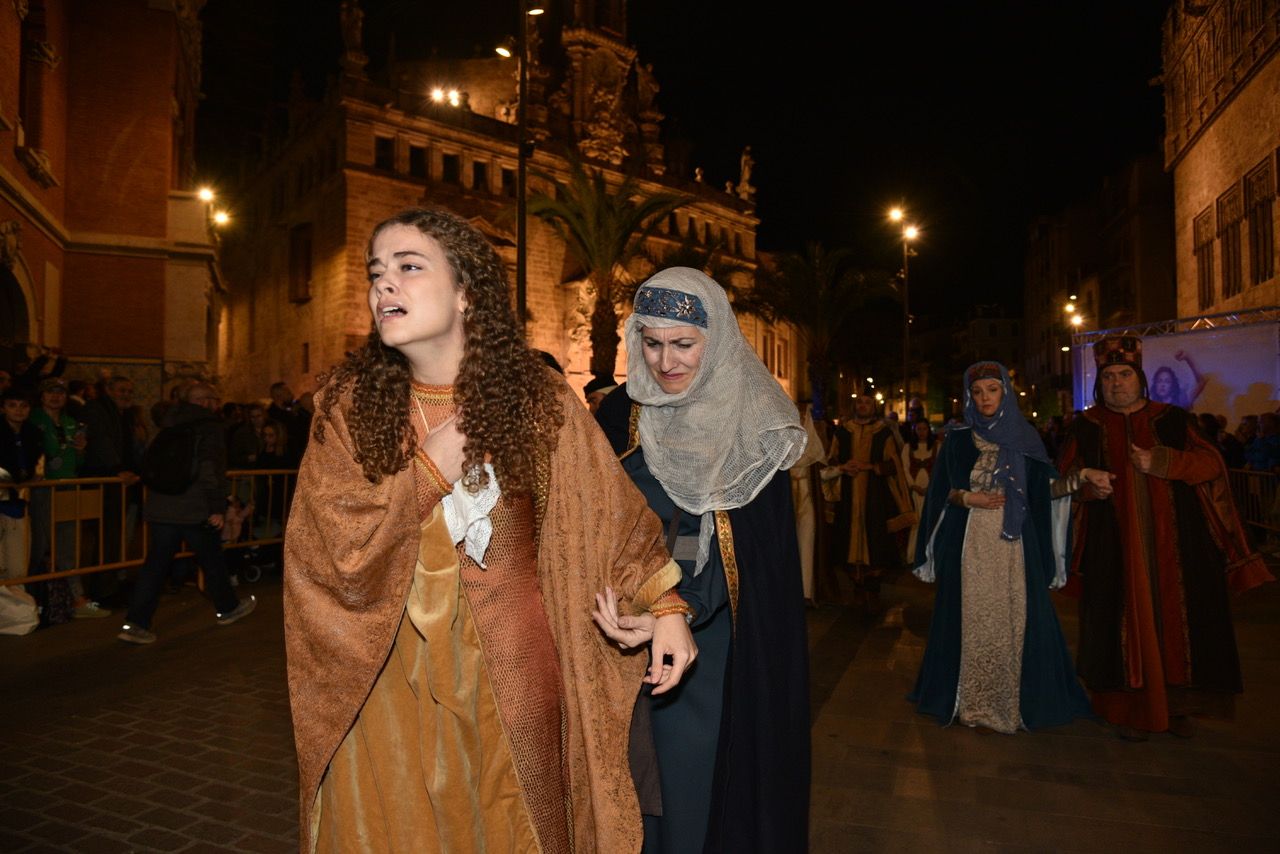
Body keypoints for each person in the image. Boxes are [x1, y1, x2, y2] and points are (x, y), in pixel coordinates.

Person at [284, 208, 695, 853]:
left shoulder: (538, 398)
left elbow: (609, 518)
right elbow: (323, 546)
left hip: (513, 666)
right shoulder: (348, 405)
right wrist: (429, 471)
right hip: (384, 677)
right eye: (376, 273)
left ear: (466, 292)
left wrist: (665, 608)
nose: (383, 285)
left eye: (408, 268)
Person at [593, 267, 810, 854]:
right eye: (652, 341)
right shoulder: (618, 417)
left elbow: (720, 536)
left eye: (684, 344)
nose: (666, 362)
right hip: (617, 631)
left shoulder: (753, 422)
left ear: (715, 341)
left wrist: (679, 605)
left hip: (716, 644)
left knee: (691, 786)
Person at [1058, 336, 1273, 740]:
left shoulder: (1173, 420)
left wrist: (1163, 461)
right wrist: (1086, 487)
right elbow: (1058, 483)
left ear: (1139, 378)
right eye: (1108, 377)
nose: (1117, 383)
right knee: (1118, 624)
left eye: (1124, 374)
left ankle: (1177, 708)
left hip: (1178, 545)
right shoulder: (1085, 427)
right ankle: (1130, 709)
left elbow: (1212, 465)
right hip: (1111, 549)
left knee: (1179, 622)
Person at [909, 362, 1100, 733]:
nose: (984, 399)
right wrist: (968, 498)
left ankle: (1011, 702)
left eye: (991, 391)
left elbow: (1045, 490)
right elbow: (938, 493)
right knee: (969, 614)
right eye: (977, 392)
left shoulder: (1025, 437)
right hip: (968, 545)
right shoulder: (958, 438)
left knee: (1014, 615)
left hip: (1014, 545)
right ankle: (969, 700)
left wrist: (1081, 479)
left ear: (1005, 393)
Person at [117, 382, 256, 644]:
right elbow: (210, 468)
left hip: (161, 505)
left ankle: (136, 623)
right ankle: (228, 608)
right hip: (194, 507)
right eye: (214, 399)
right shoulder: (209, 427)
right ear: (203, 401)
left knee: (156, 565)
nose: (216, 404)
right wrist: (217, 506)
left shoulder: (168, 423)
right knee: (212, 560)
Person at [825, 391, 915, 610]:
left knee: (876, 540)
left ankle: (873, 589)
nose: (863, 406)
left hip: (876, 496)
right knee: (847, 539)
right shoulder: (843, 431)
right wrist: (843, 467)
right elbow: (832, 459)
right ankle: (857, 588)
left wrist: (870, 467)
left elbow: (893, 465)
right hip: (847, 494)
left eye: (867, 403)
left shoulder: (883, 432)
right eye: (859, 402)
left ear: (873, 407)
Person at [28, 378, 109, 618]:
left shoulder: (71, 423)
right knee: (38, 545)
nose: (55, 397)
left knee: (68, 545)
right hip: (41, 491)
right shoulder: (33, 420)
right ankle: (33, 599)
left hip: (68, 488)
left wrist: (81, 450)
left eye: (60, 393)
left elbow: (77, 461)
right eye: (50, 392)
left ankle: (76, 599)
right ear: (41, 396)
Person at [901, 418, 939, 560]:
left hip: (932, 491)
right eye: (919, 429)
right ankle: (913, 555)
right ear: (914, 431)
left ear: (928, 430)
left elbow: (940, 469)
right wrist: (913, 486)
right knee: (916, 521)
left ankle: (930, 555)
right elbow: (905, 468)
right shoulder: (908, 447)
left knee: (931, 521)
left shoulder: (937, 446)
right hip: (914, 491)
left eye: (924, 429)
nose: (922, 432)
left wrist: (931, 487)